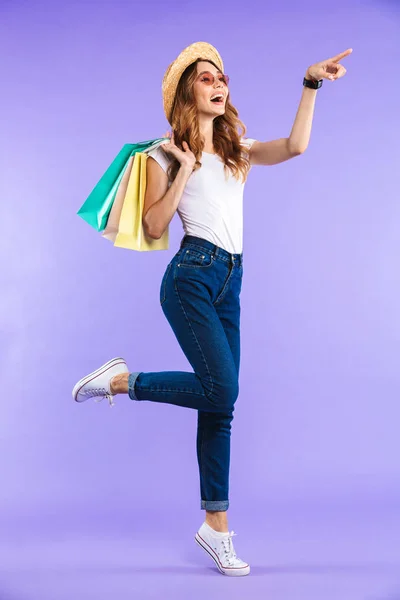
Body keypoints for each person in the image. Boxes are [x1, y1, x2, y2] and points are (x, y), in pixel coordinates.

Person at [72, 41, 351, 577]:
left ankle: (215, 528)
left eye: (221, 75)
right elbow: (155, 226)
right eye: (205, 77)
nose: (218, 82)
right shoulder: (162, 151)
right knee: (223, 389)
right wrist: (180, 168)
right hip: (191, 277)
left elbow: (295, 146)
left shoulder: (235, 150)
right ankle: (121, 381)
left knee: (219, 406)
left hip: (232, 279)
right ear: (187, 92)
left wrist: (310, 84)